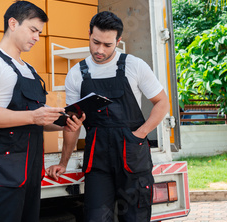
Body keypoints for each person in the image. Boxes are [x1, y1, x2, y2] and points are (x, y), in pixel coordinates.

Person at [46, 11, 170, 221]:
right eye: (95, 42)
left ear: (118, 41)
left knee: (135, 217)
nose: (99, 50)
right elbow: (72, 124)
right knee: (95, 217)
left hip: (132, 152)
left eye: (107, 44)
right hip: (98, 158)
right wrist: (63, 162)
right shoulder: (77, 73)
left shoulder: (134, 65)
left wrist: (140, 134)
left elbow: (162, 102)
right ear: (89, 34)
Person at [0, 0, 84, 222]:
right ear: (13, 23)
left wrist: (63, 121)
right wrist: (34, 115)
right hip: (2, 174)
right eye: (33, 30)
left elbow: (35, 121)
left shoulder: (28, 69)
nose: (37, 37)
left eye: (39, 33)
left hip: (30, 173)